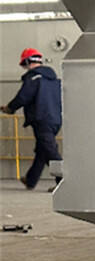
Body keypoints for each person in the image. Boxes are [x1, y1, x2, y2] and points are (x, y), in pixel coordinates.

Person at [1, 48, 63, 191]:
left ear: (28, 62)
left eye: (24, 64)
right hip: (55, 119)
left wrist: (10, 108)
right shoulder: (54, 80)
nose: (24, 68)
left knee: (50, 151)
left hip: (41, 119)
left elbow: (23, 97)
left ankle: (64, 181)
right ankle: (31, 179)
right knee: (42, 150)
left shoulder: (34, 78)